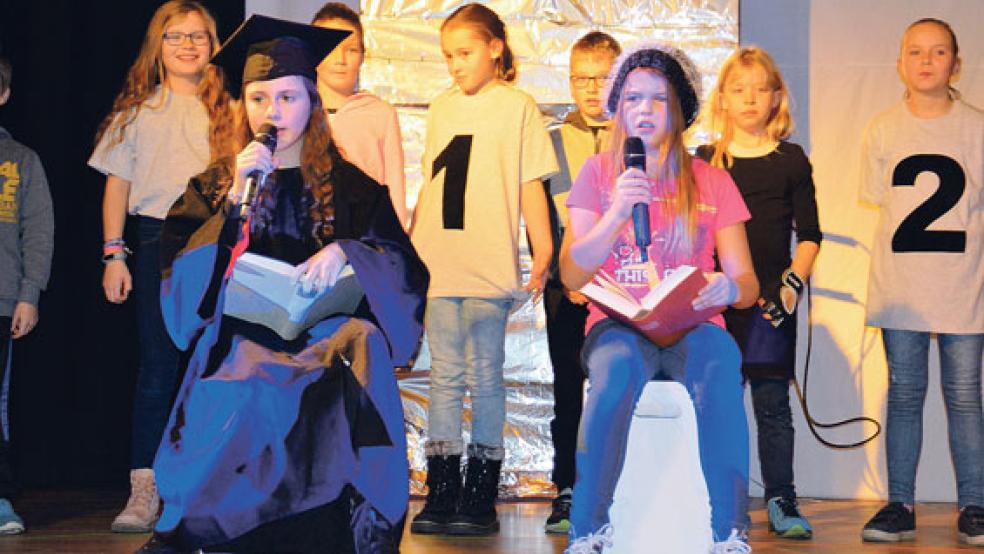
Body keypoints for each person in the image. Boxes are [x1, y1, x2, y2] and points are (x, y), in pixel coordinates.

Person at [135, 15, 428, 554]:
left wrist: (351, 252)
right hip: (246, 333)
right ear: (242, 106)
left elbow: (404, 268)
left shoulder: (351, 185)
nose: (274, 113)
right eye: (259, 99)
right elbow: (181, 279)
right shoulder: (218, 183)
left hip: (327, 332)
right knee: (240, 374)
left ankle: (351, 529)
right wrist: (230, 205)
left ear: (312, 103)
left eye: (288, 98)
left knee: (359, 345)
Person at [559, 43, 758, 553]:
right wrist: (617, 212)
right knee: (615, 371)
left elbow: (747, 284)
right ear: (617, 109)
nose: (643, 110)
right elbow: (571, 274)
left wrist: (729, 288)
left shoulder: (712, 180)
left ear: (680, 109)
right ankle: (589, 531)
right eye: (631, 98)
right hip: (619, 324)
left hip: (693, 324)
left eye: (657, 99)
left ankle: (729, 532)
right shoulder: (599, 175)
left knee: (721, 367)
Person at [408, 2, 556, 537]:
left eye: (465, 52)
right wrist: (409, 253)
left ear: (496, 47)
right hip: (439, 260)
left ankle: (480, 492)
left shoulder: (516, 107)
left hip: (488, 260)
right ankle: (442, 488)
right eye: (448, 56)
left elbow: (529, 182)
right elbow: (430, 184)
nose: (455, 65)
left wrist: (542, 248)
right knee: (445, 377)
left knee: (486, 376)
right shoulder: (442, 107)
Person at [87, 0, 232, 533]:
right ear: (158, 46)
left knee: (214, 365)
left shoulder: (232, 112)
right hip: (153, 240)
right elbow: (117, 187)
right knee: (157, 367)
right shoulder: (137, 111)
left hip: (214, 243)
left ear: (215, 45)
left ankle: (205, 484)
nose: (188, 45)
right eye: (175, 36)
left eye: (199, 35)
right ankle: (144, 489)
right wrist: (113, 254)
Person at [858, 18, 983, 547]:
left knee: (965, 396)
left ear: (956, 64)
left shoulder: (977, 127)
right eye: (916, 52)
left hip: (962, 286)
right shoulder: (884, 128)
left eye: (938, 52)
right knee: (904, 395)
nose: (927, 61)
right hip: (903, 288)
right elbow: (881, 202)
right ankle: (899, 504)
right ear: (900, 64)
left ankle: (975, 504)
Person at [696, 46, 821, 540]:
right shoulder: (705, 161)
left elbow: (810, 234)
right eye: (738, 89)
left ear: (776, 98)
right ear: (722, 99)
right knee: (717, 402)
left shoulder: (790, 159)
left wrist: (791, 286)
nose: (749, 98)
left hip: (771, 301)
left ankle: (781, 498)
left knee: (772, 403)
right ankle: (717, 496)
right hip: (718, 303)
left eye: (759, 88)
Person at [542, 30, 621, 535]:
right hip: (566, 290)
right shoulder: (550, 142)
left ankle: (619, 485)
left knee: (617, 388)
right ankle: (566, 487)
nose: (591, 89)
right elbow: (542, 223)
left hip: (621, 290)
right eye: (581, 79)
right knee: (568, 390)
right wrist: (563, 276)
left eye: (603, 78)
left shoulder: (636, 138)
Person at [0, 54, 54, 536]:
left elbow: (37, 232)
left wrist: (28, 293)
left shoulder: (21, 161)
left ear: (3, 95)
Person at [311, 2, 409, 227]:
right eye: (331, 47)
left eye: (352, 49)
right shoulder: (297, 111)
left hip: (362, 240)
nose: (341, 59)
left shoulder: (380, 115)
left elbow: (394, 188)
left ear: (363, 56)